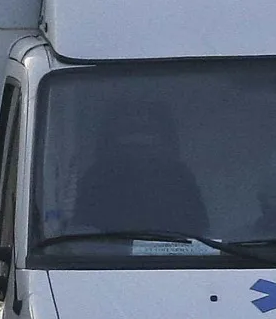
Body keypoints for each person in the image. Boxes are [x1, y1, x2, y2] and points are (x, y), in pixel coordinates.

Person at [71, 100, 209, 237]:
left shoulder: (178, 175)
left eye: (145, 129)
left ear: (163, 136)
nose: (137, 137)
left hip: (170, 256)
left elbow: (196, 230)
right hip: (106, 256)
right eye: (129, 129)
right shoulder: (97, 176)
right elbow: (83, 231)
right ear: (112, 135)